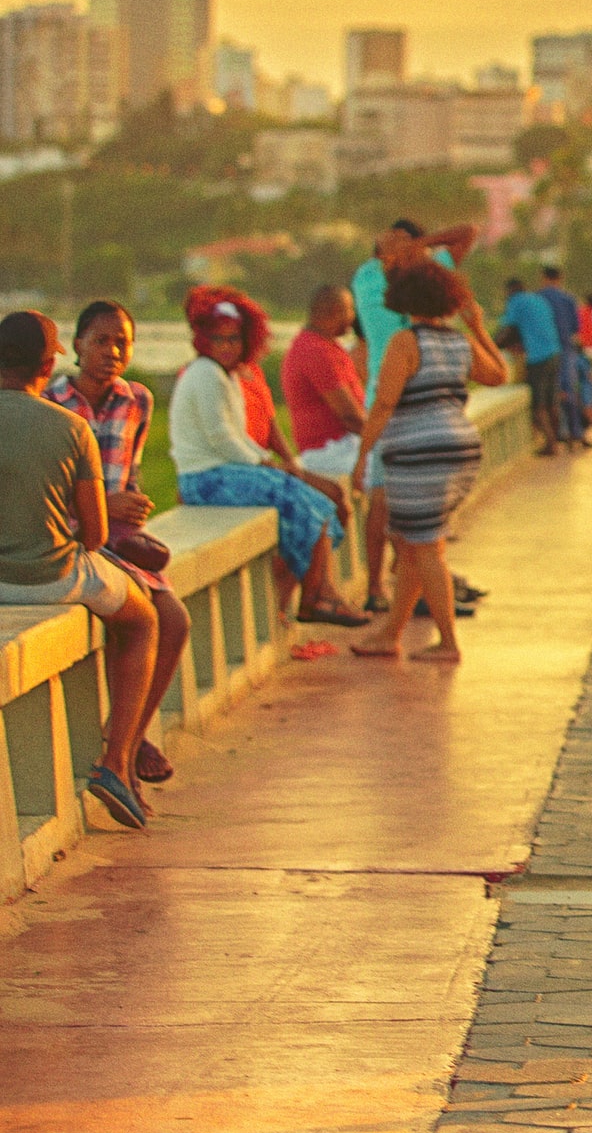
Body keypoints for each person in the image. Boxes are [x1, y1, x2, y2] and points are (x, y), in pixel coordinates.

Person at [0, 311, 159, 830]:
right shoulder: (70, 426)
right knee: (143, 622)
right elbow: (93, 536)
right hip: (55, 575)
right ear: (49, 364)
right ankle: (116, 761)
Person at [38, 304, 187, 800]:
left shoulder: (137, 400)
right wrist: (106, 504)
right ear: (77, 344)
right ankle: (119, 756)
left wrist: (132, 512)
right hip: (74, 538)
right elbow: (47, 496)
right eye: (101, 341)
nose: (113, 353)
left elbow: (132, 472)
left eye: (122, 343)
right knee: (139, 621)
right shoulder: (51, 403)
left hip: (118, 541)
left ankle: (129, 736)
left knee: (176, 620)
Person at [172, 289, 367, 627]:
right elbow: (222, 438)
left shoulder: (226, 374)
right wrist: (265, 464)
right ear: (203, 340)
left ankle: (314, 596)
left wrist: (270, 463)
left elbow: (240, 434)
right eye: (219, 339)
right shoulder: (204, 373)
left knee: (317, 504)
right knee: (300, 501)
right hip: (206, 479)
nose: (228, 346)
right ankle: (317, 597)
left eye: (234, 338)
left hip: (227, 471)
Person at [348, 261, 509, 662]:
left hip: (418, 453)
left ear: (402, 300)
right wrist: (477, 327)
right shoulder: (458, 342)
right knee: (412, 545)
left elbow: (384, 403)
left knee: (426, 550)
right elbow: (499, 375)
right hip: (459, 448)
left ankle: (449, 643)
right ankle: (392, 633)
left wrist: (362, 456)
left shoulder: (405, 342)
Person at [354, 219, 476, 610]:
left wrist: (419, 245)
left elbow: (466, 231)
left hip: (423, 412)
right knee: (388, 505)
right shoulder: (371, 277)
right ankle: (381, 589)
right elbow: (385, 404)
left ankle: (409, 596)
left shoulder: (424, 277)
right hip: (399, 405)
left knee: (419, 522)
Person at [283, 284, 368, 483]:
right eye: (350, 309)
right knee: (399, 468)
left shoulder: (323, 344)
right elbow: (350, 417)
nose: (353, 316)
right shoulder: (315, 350)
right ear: (336, 311)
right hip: (329, 450)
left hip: (343, 445)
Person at [500, 278, 564, 455]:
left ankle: (550, 444)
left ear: (510, 291)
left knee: (539, 404)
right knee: (552, 401)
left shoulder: (516, 301)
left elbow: (508, 330)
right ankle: (556, 440)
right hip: (555, 352)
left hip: (538, 356)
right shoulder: (538, 299)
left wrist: (491, 346)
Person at [539, 266, 592, 449]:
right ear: (560, 279)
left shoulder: (540, 298)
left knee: (551, 395)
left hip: (546, 353)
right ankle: (576, 432)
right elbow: (576, 329)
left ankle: (559, 434)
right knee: (569, 391)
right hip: (567, 351)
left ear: (544, 278)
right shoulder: (568, 299)